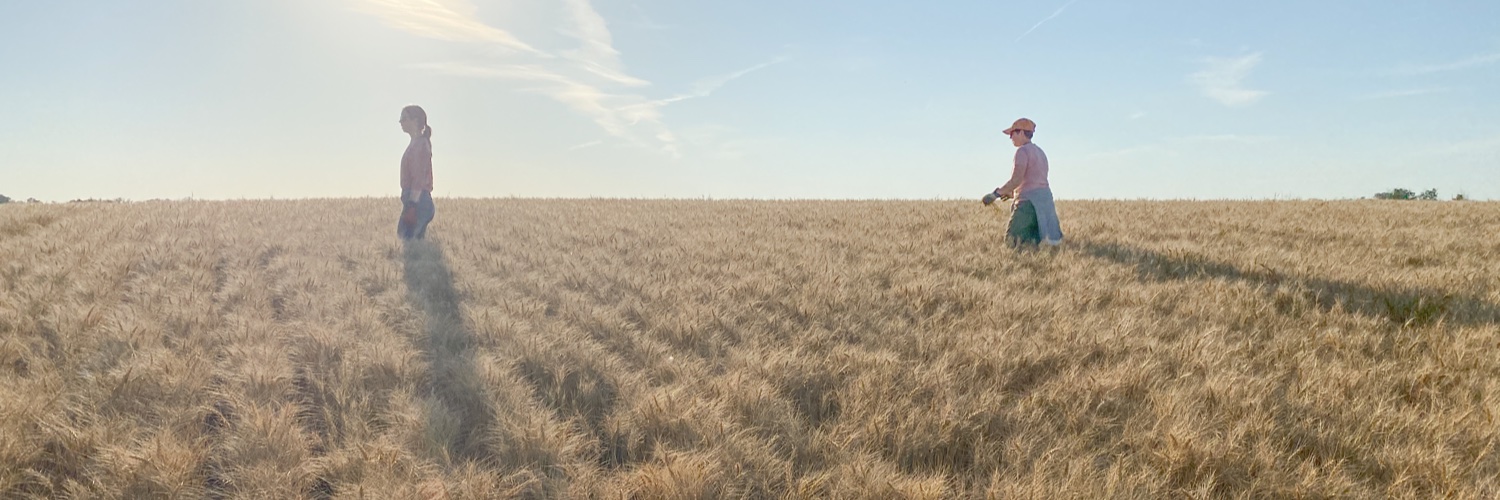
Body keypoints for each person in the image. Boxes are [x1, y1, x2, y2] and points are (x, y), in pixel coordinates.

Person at [983, 117, 1063, 248]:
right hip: (1046, 205)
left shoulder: (1022, 151)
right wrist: (1012, 194)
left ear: (1021, 132)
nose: (1010, 138)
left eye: (1012, 133)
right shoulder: (1040, 152)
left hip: (1028, 205)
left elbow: (1016, 179)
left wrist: (996, 194)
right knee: (1036, 245)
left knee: (1012, 243)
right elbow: (1035, 180)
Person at [398, 105, 436, 240]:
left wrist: (412, 205)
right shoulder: (416, 143)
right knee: (413, 245)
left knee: (406, 241)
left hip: (418, 201)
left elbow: (418, 177)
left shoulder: (420, 145)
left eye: (404, 118)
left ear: (415, 121)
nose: (400, 122)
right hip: (415, 200)